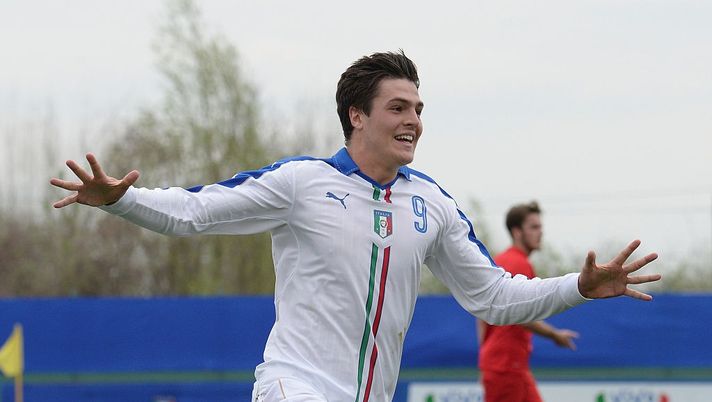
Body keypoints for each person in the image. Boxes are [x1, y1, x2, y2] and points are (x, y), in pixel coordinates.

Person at [50, 50, 660, 402]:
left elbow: (495, 298)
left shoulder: (433, 205)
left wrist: (579, 287)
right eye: (398, 107)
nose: (414, 120)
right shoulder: (300, 183)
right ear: (356, 116)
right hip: (293, 386)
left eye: (418, 109)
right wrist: (119, 200)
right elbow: (193, 213)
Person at [477, 201, 579, 402]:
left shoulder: (499, 261)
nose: (540, 232)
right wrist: (554, 334)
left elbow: (481, 313)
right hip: (507, 366)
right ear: (517, 232)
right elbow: (523, 316)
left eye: (540, 227)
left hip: (506, 365)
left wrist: (485, 356)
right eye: (534, 227)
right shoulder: (518, 263)